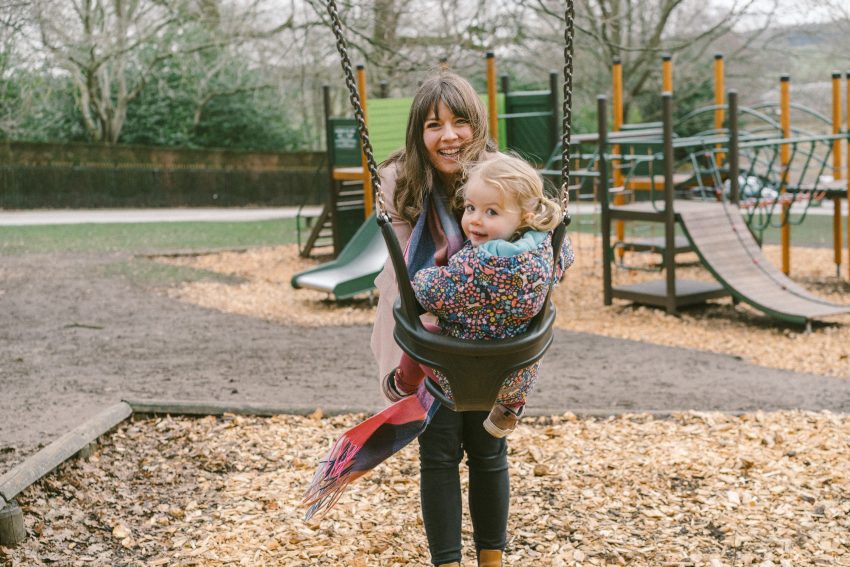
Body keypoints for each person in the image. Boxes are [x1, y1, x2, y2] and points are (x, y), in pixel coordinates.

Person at [370, 70, 567, 567]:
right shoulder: (400, 181)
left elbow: (545, 240)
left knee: (488, 453)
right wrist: (415, 335)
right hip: (432, 343)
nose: (449, 135)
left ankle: (491, 559)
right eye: (434, 125)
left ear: (477, 125)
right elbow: (402, 272)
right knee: (437, 457)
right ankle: (448, 562)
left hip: (496, 344)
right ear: (419, 133)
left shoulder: (503, 176)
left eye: (460, 121)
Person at [381, 154, 570, 439]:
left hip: (462, 373)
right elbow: (566, 257)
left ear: (525, 216)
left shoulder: (477, 269)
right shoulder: (548, 246)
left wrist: (420, 279)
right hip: (516, 375)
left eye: (491, 212)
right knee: (523, 344)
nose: (474, 220)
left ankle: (403, 385)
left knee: (422, 333)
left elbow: (429, 291)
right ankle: (509, 410)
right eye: (470, 207)